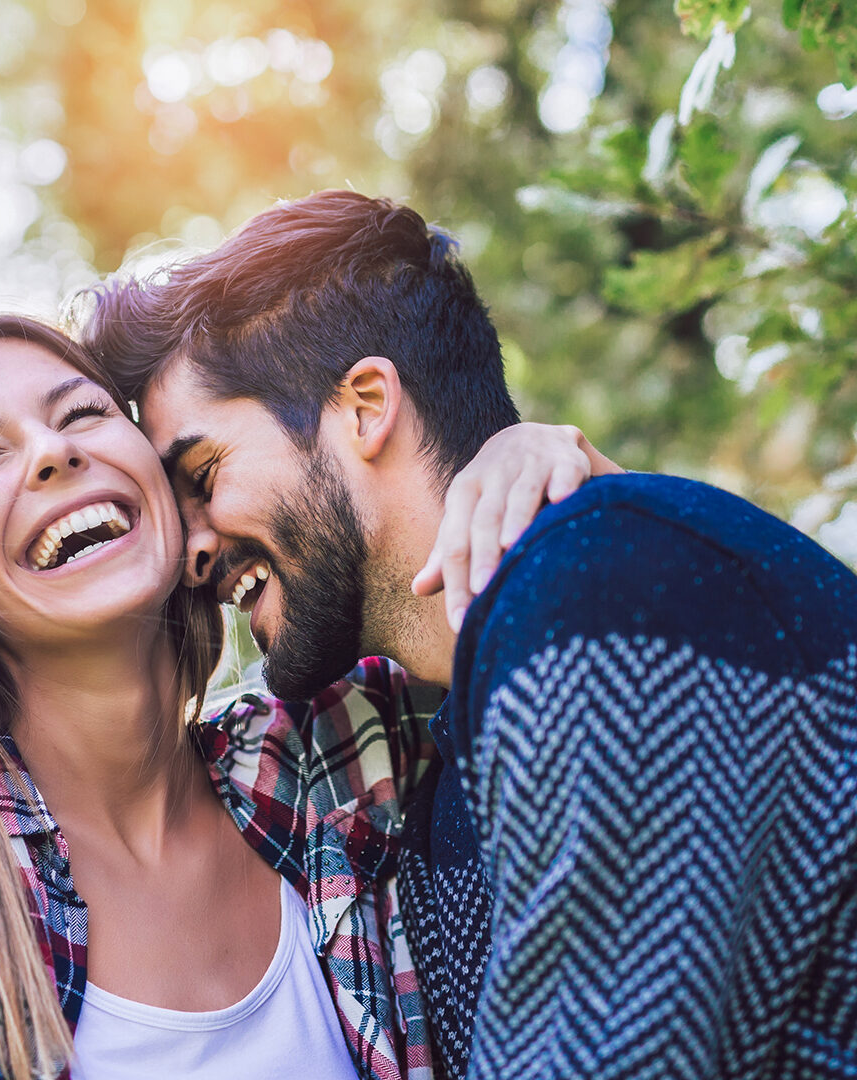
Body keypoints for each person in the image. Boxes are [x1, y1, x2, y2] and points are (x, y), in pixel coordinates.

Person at [82, 190, 857, 1080]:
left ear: (367, 407)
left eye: (204, 474)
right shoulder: (434, 741)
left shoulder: (601, 584)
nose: (190, 550)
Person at [0, 313, 601, 1080]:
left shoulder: (327, 750)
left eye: (81, 413)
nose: (51, 452)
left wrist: (536, 475)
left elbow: (593, 661)